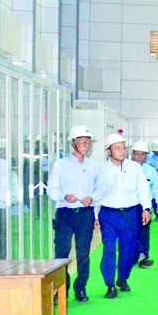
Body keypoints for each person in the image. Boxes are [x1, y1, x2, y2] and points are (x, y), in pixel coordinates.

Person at [48, 125, 103, 303]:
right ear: (73, 143)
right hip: (65, 214)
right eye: (83, 142)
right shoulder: (60, 165)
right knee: (62, 252)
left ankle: (81, 288)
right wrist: (64, 196)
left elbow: (101, 189)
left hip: (85, 214)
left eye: (88, 143)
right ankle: (61, 290)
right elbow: (51, 190)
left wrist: (92, 199)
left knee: (83, 253)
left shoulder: (94, 166)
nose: (87, 146)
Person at [96, 132, 151, 298]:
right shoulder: (101, 169)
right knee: (109, 250)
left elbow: (143, 188)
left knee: (128, 249)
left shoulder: (134, 168)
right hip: (108, 215)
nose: (121, 151)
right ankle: (110, 285)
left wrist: (146, 208)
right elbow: (96, 193)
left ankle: (122, 278)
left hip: (130, 214)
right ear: (109, 151)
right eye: (117, 148)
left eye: (123, 148)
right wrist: (95, 216)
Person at [132, 141, 158, 269]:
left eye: (142, 154)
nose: (139, 157)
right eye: (137, 154)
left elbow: (156, 188)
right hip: (130, 208)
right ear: (132, 154)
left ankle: (143, 257)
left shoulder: (150, 171)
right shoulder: (126, 169)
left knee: (144, 233)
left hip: (145, 208)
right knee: (130, 234)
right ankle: (130, 258)